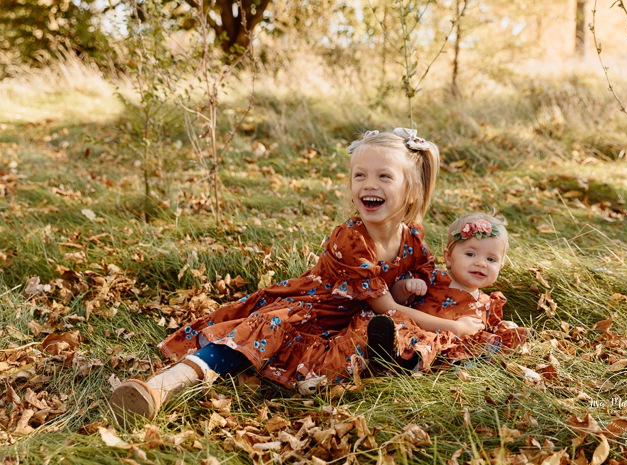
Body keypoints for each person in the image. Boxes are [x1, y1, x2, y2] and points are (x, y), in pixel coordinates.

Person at [109, 128, 478, 425]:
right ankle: (162, 387)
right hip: (314, 310)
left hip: (357, 318)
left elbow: (422, 275)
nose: (369, 184)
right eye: (359, 175)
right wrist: (453, 328)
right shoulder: (351, 239)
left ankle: (393, 358)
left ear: (411, 189)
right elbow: (386, 305)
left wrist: (409, 284)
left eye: (384, 176)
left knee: (381, 329)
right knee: (263, 330)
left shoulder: (411, 235)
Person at [367, 213, 532, 371]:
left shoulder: (488, 303)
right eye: (470, 254)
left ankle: (413, 365)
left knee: (479, 348)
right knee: (400, 328)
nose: (481, 263)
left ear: (500, 267)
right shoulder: (433, 278)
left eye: (491, 259)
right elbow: (396, 299)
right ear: (448, 257)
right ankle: (387, 353)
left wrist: (506, 327)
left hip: (449, 349)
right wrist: (405, 287)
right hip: (420, 332)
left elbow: (490, 328)